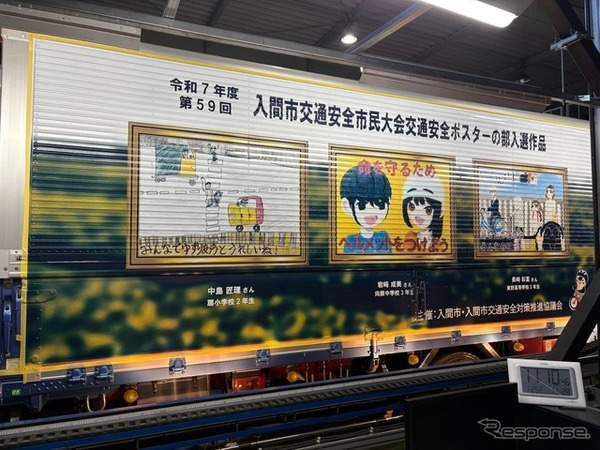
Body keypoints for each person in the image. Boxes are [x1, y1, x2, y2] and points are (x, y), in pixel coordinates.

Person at [340, 162, 392, 254]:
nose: (371, 211)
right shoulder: (351, 241)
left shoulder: (383, 237)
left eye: (380, 204)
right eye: (362, 205)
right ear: (346, 206)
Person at [402, 175, 444, 245]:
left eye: (428, 210)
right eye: (412, 207)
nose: (418, 215)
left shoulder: (440, 243)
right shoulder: (410, 238)